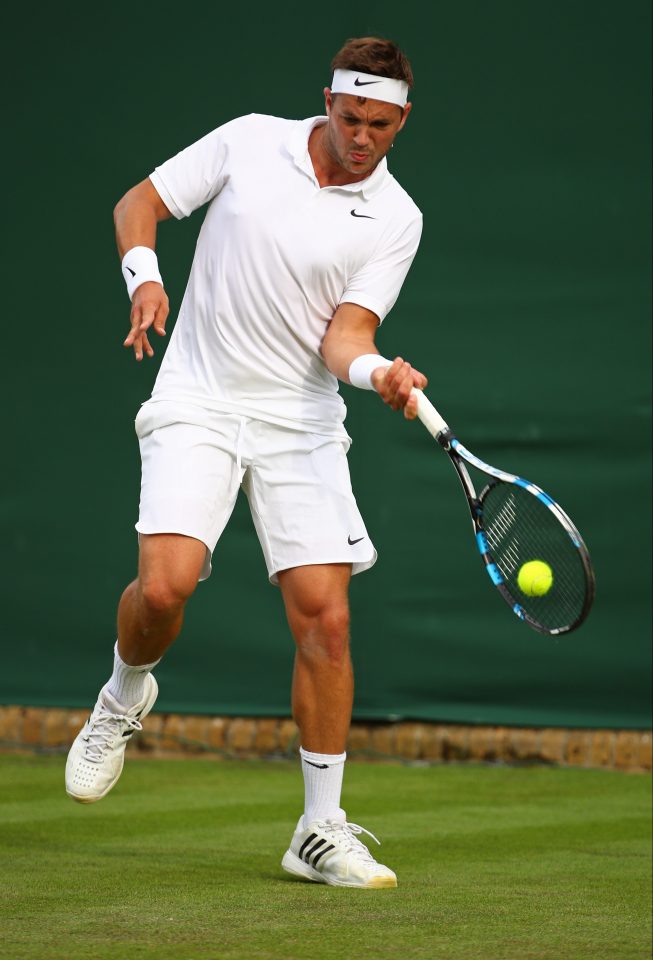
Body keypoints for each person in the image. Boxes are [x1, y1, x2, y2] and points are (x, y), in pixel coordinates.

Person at [65, 36, 427, 890]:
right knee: (163, 590)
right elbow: (139, 203)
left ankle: (319, 829)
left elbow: (345, 338)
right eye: (349, 118)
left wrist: (381, 373)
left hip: (300, 422)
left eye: (380, 123)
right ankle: (123, 697)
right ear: (326, 101)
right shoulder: (249, 138)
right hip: (198, 397)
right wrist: (143, 279)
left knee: (325, 621)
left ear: (402, 119)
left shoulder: (397, 219)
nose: (361, 137)